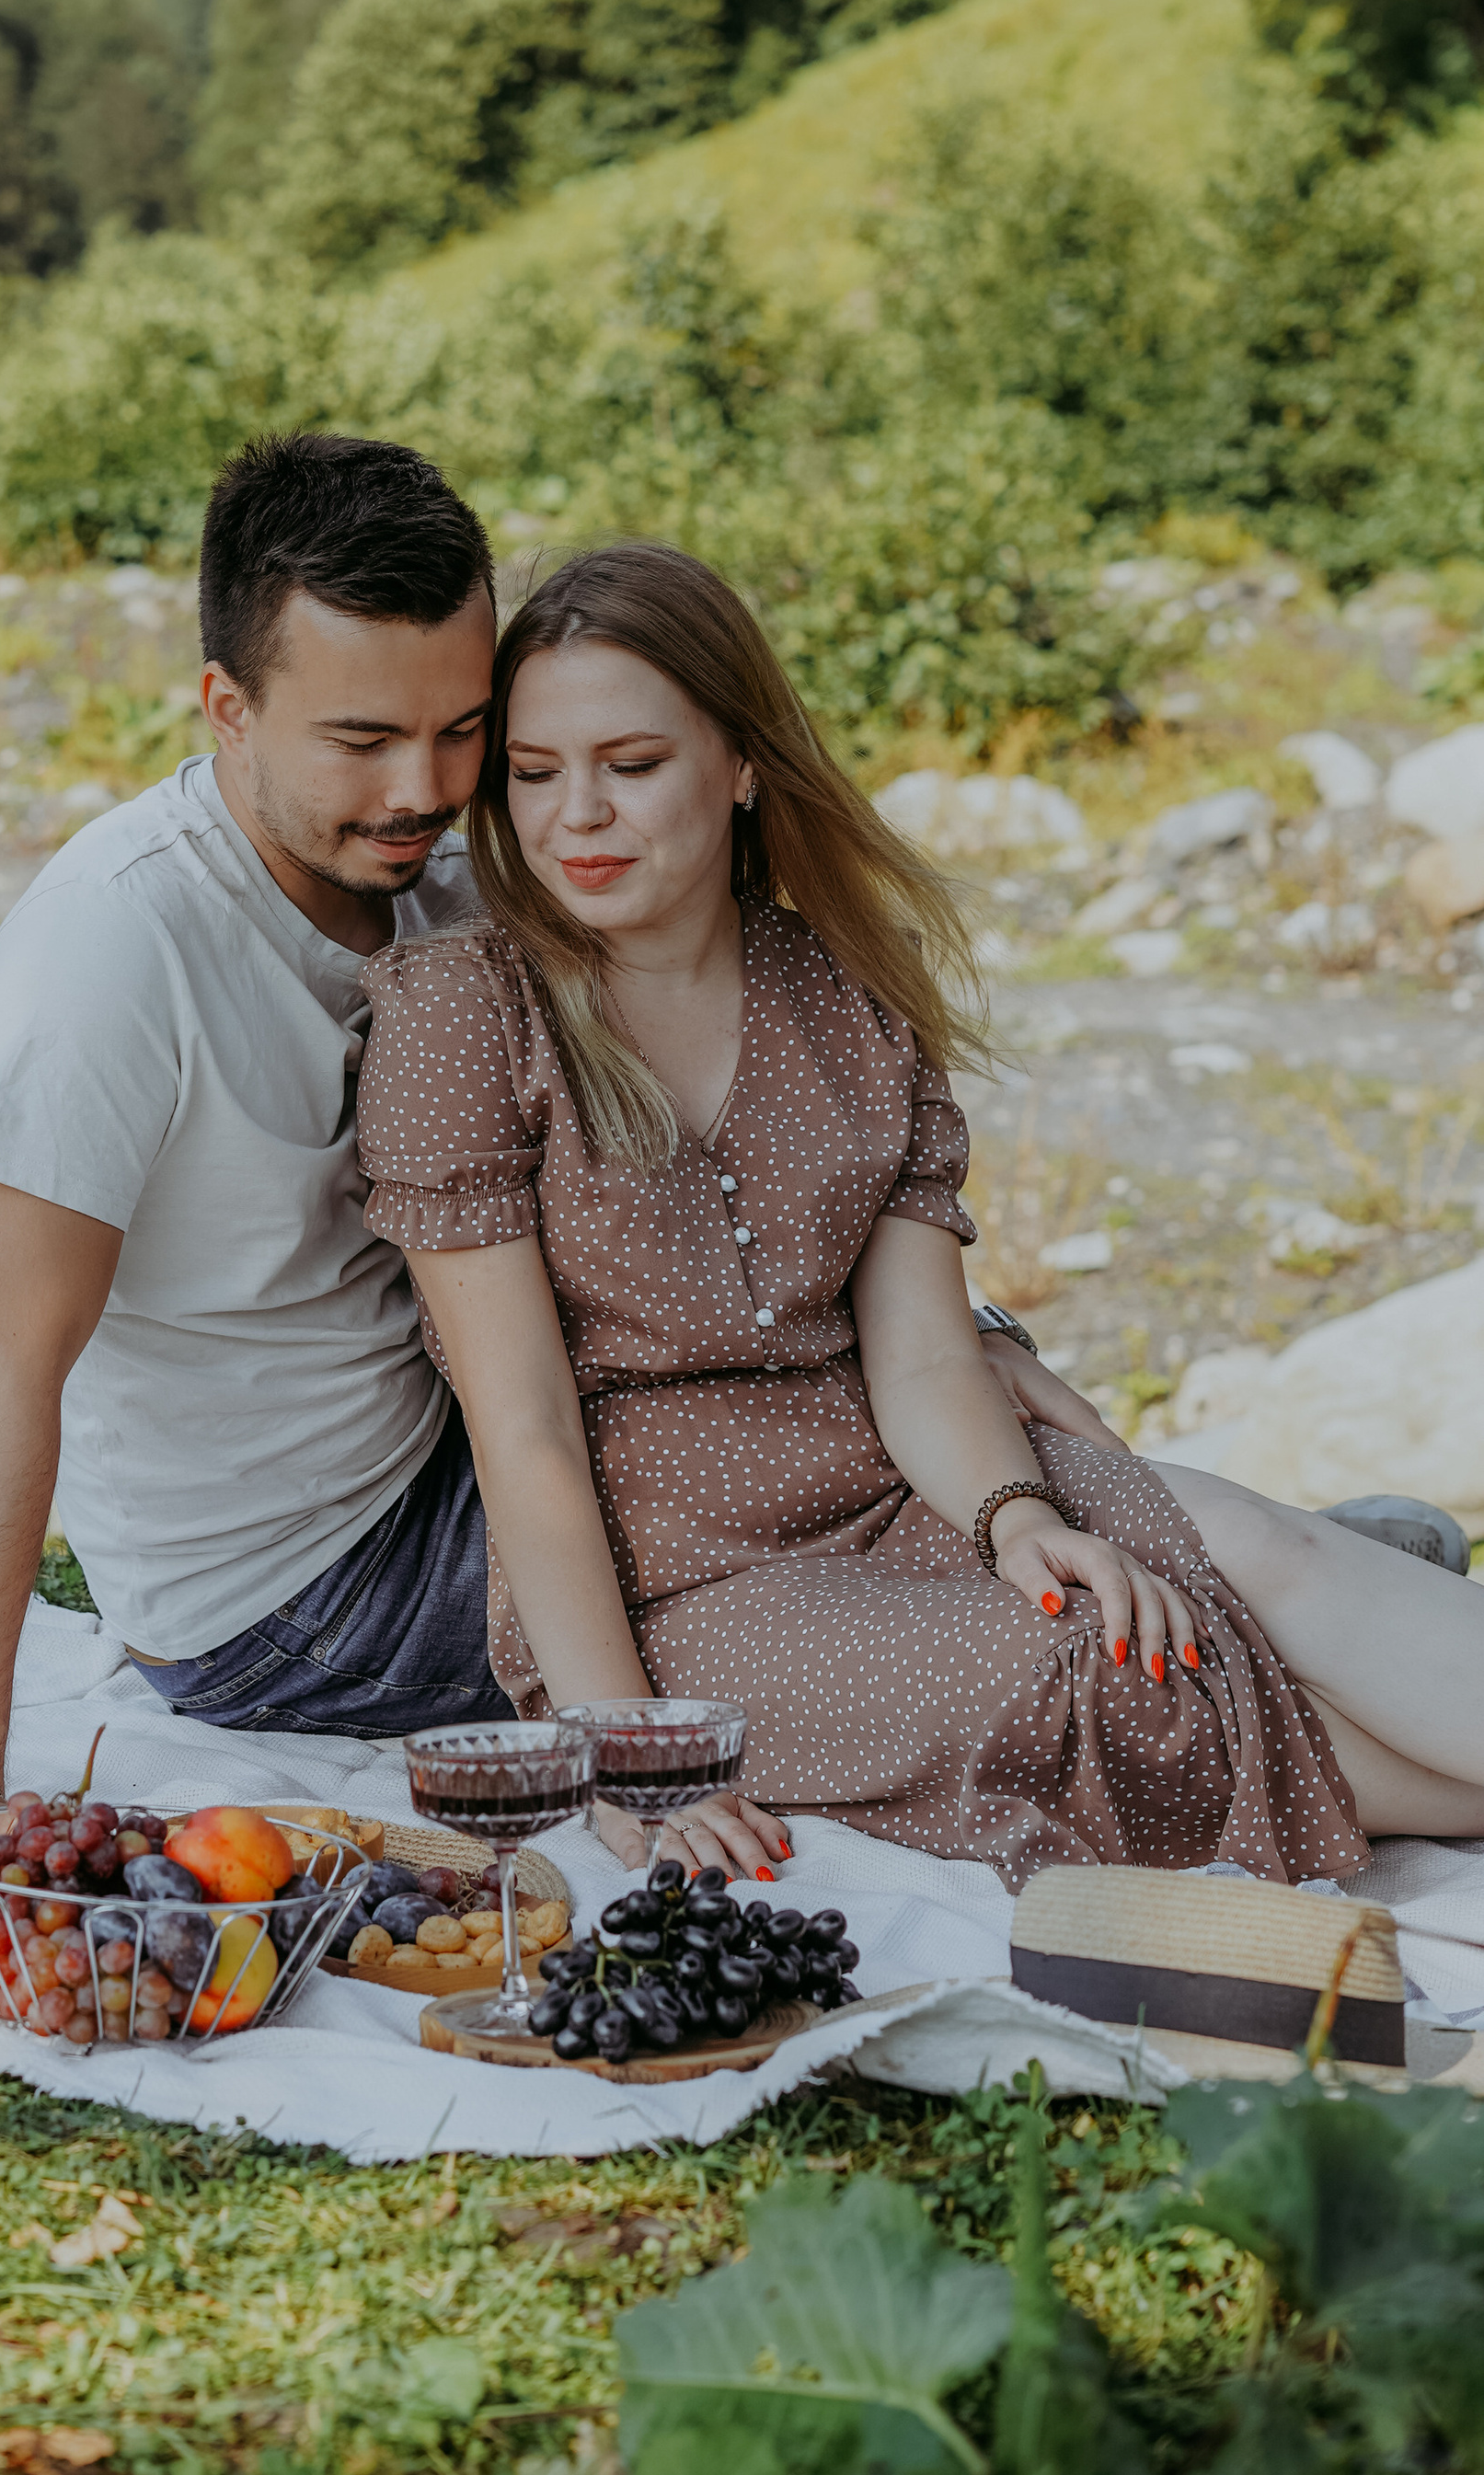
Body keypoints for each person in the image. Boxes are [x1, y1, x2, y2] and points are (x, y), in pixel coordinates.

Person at [0, 436, 1095, 1883]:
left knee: (942, 1409)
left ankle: (1259, 1590)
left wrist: (936, 1333)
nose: (427, 788)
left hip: (488, 1432)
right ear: (227, 707)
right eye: (363, 741)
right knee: (821, 1543)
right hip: (308, 1590)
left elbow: (722, 1154)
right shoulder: (113, 954)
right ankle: (1240, 1636)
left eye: (462, 733)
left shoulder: (451, 864)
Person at [355, 540, 1484, 1889]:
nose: (576, 817)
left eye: (633, 766)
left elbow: (924, 1353)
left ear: (743, 764)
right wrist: (624, 1744)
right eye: (535, 776)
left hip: (904, 1479)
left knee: (1252, 1546)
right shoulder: (465, 1017)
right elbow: (522, 1431)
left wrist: (1015, 1517)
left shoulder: (843, 992)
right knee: (1106, 1667)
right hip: (685, 1588)